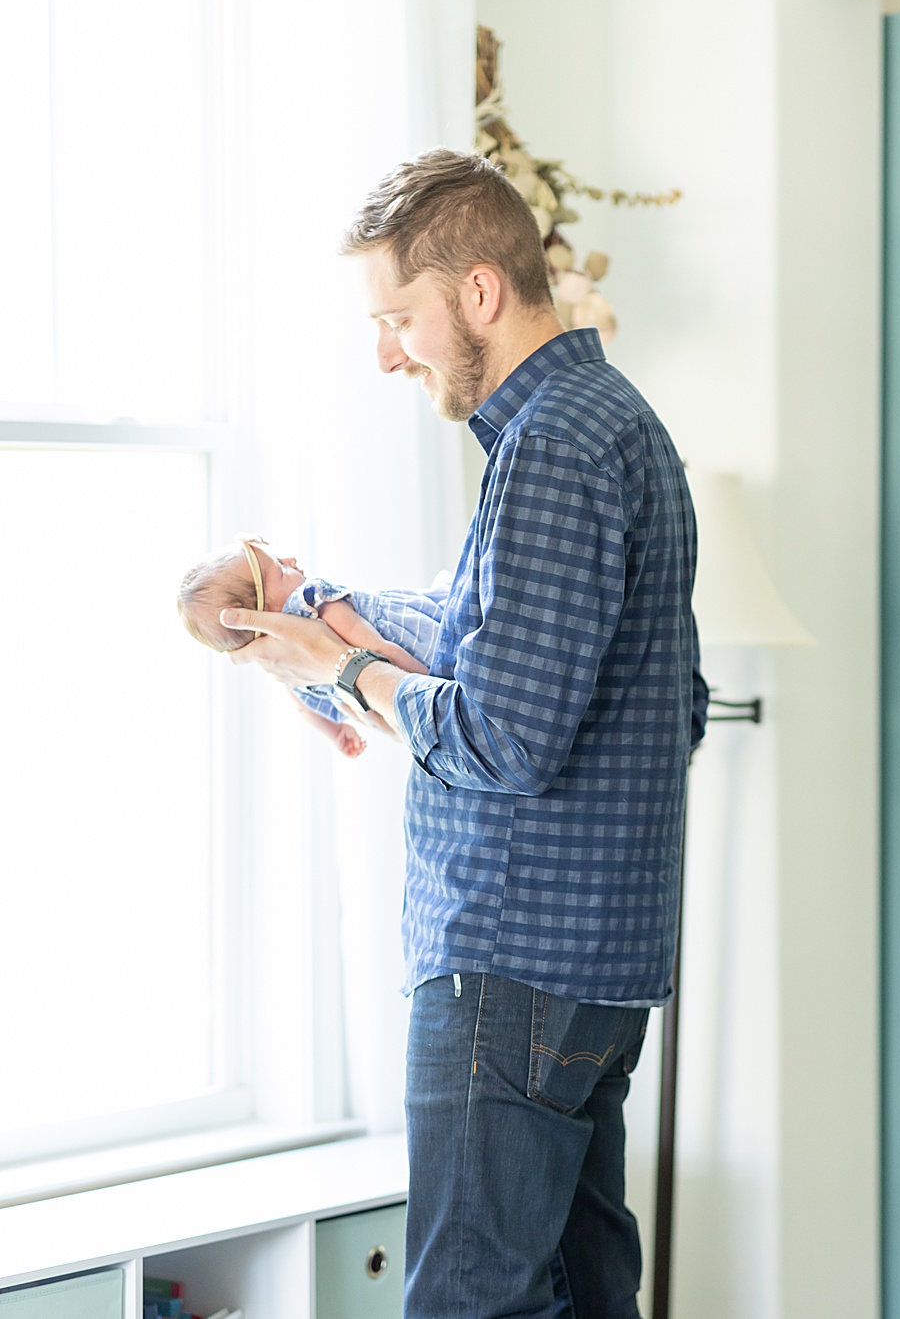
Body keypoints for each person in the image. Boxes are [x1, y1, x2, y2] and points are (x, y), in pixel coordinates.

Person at [220, 149, 705, 1319]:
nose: (388, 351)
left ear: (478, 292)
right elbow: (510, 642)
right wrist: (318, 614)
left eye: (398, 316)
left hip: (509, 957)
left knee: (469, 1304)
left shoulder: (550, 447)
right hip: (589, 960)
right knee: (587, 1292)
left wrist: (338, 665)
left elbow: (503, 736)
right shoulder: (611, 423)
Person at [176, 536, 438, 756]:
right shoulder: (316, 607)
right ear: (264, 612)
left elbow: (304, 708)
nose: (291, 561)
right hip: (423, 643)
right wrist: (432, 684)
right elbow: (380, 649)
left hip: (400, 700)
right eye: (280, 570)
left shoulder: (287, 668)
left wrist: (336, 732)